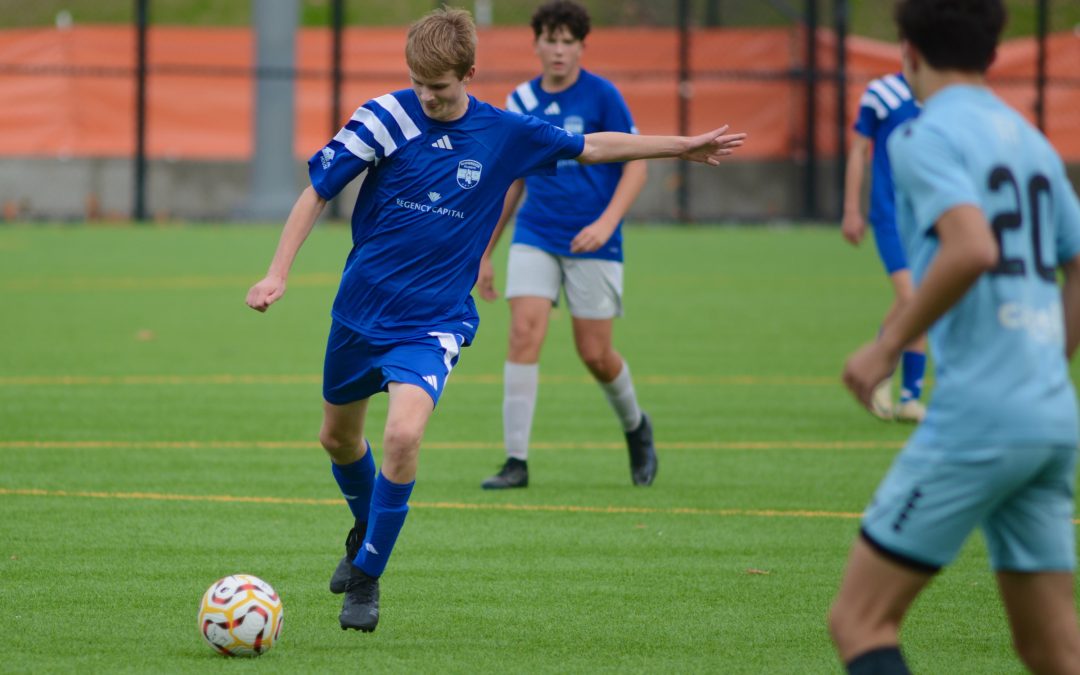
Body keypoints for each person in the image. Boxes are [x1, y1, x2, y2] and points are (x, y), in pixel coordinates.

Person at [245, 7, 746, 633]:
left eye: (442, 86)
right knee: (338, 439)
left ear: (470, 74)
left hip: (434, 321)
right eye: (419, 83)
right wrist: (277, 272)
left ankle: (369, 575)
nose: (428, 96)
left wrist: (683, 146)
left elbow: (593, 147)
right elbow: (317, 190)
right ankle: (365, 529)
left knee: (402, 436)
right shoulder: (385, 116)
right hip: (360, 310)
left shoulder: (504, 132)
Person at [829, 0, 1080, 673]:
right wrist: (1045, 365)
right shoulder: (1031, 141)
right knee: (1054, 648)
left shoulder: (923, 136)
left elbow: (970, 246)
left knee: (859, 619)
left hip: (979, 417)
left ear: (907, 49)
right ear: (994, 49)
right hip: (1050, 414)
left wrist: (887, 344)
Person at [476, 0, 653, 490]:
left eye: (567, 41)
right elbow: (512, 181)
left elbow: (637, 165)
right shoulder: (521, 100)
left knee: (595, 353)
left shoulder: (602, 96)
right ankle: (516, 461)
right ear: (535, 43)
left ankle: (637, 427)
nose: (558, 49)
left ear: (580, 46)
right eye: (550, 39)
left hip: (593, 238)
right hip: (536, 233)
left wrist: (606, 223)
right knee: (523, 334)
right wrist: (486, 251)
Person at [842, 68, 927, 423]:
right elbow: (859, 151)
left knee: (921, 296)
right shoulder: (883, 92)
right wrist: (851, 209)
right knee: (912, 298)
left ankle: (910, 397)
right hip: (890, 214)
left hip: (930, 213)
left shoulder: (948, 94)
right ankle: (880, 368)